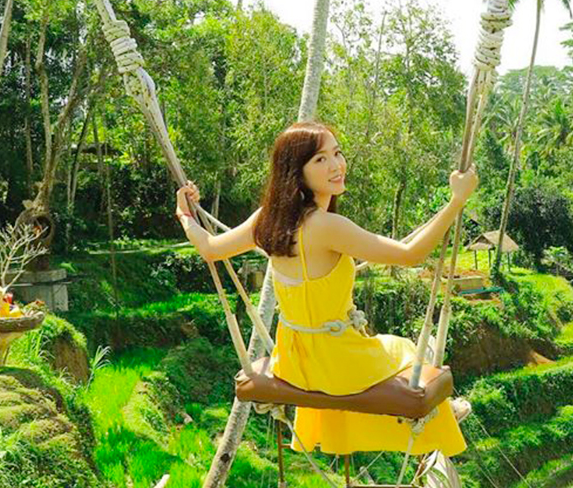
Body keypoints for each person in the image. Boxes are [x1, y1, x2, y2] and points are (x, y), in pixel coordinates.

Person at [174, 121, 477, 457]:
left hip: (292, 359)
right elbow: (411, 255)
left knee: (391, 348)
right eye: (320, 160)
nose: (336, 166)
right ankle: (441, 419)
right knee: (404, 349)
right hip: (332, 361)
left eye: (337, 153)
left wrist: (185, 215)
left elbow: (211, 248)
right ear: (296, 172)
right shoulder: (326, 226)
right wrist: (456, 201)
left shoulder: (268, 219)